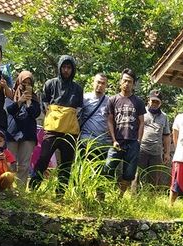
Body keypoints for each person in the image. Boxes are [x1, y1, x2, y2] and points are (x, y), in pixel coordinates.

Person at [31, 55, 83, 188]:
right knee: (43, 159)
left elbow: (79, 109)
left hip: (70, 132)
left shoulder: (78, 89)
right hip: (52, 130)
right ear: (59, 67)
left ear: (73, 69)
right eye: (64, 67)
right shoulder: (50, 84)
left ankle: (61, 192)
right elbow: (44, 104)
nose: (66, 70)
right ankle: (33, 186)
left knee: (66, 164)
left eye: (69, 67)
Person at [105, 68, 146, 194]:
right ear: (120, 82)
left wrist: (138, 141)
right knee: (108, 168)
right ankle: (101, 196)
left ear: (133, 84)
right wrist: (113, 140)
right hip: (117, 141)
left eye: (130, 81)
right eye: (125, 80)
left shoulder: (138, 102)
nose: (127, 83)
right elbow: (110, 121)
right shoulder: (112, 100)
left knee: (129, 173)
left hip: (132, 141)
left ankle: (120, 196)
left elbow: (141, 122)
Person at [6, 70, 41, 184]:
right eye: (24, 82)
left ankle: (20, 192)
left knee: (24, 165)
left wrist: (29, 102)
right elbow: (9, 110)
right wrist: (20, 101)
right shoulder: (10, 93)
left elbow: (35, 113)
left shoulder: (34, 98)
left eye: (29, 83)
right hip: (12, 133)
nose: (26, 85)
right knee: (10, 163)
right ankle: (7, 188)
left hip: (28, 134)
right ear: (19, 82)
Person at [133, 89, 170, 190]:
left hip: (156, 152)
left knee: (154, 179)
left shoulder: (164, 117)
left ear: (160, 103)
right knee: (137, 176)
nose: (154, 103)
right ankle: (134, 200)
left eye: (157, 102)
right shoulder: (141, 113)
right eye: (153, 101)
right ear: (148, 100)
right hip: (141, 149)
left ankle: (150, 200)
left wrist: (166, 153)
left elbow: (166, 135)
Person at [78, 73, 109, 158]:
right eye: (98, 82)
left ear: (106, 85)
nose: (100, 85)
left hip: (103, 145)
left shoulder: (110, 101)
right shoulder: (84, 99)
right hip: (86, 143)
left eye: (103, 83)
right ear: (93, 83)